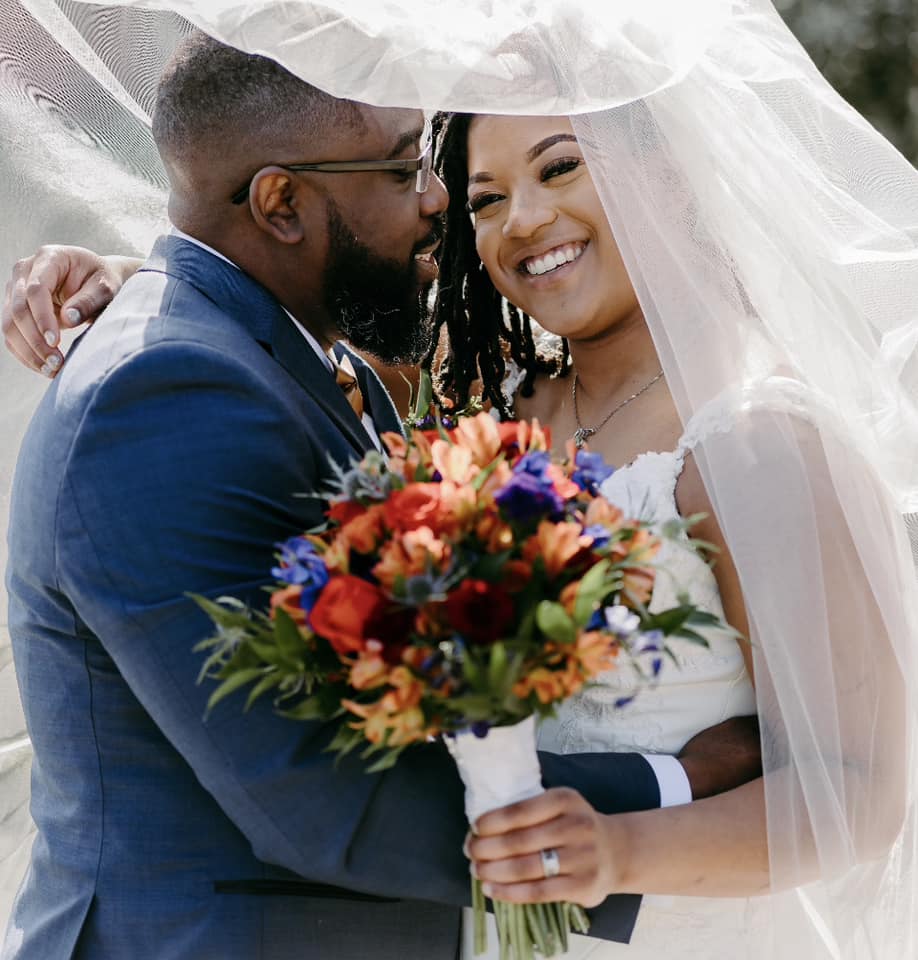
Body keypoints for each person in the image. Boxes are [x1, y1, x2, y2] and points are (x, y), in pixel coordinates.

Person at [4, 2, 918, 957]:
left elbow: (860, 790)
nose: (516, 218)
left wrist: (615, 850)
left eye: (560, 166)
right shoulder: (491, 416)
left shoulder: (759, 435)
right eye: (478, 194)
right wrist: (138, 288)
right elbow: (261, 339)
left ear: (671, 175)